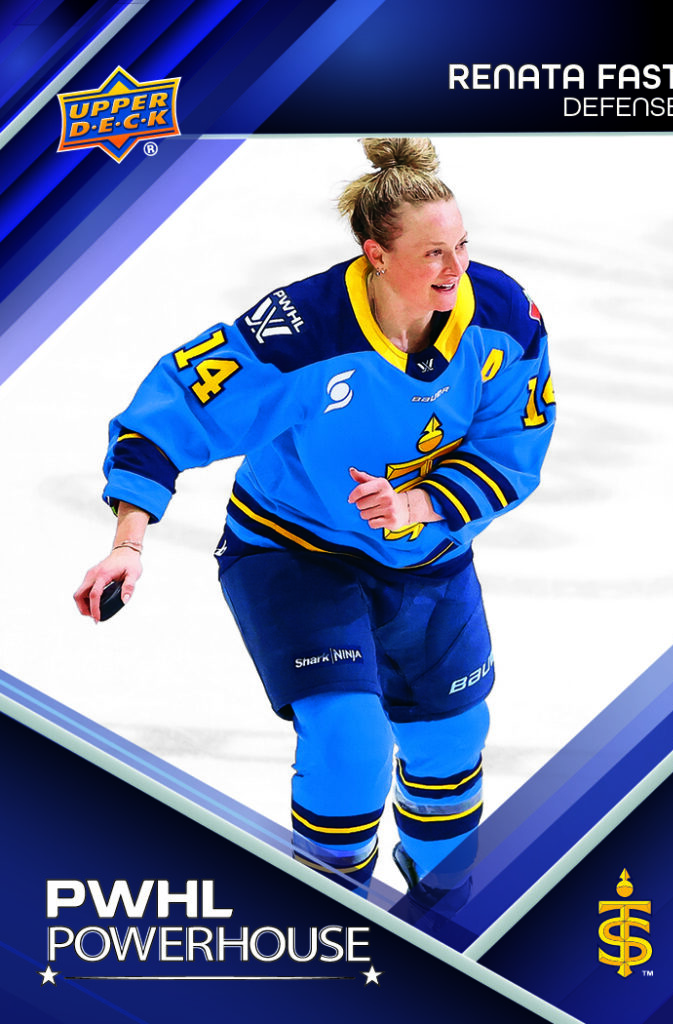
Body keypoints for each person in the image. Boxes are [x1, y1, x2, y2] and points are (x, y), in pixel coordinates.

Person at [74, 138, 555, 911]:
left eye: (461, 245)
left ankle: (444, 911)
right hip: (293, 551)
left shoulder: (502, 316)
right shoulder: (301, 332)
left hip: (427, 558)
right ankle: (333, 924)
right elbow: (171, 411)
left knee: (450, 744)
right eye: (432, 253)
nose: (455, 268)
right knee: (348, 747)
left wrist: (418, 504)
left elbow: (513, 450)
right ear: (375, 254)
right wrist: (128, 543)